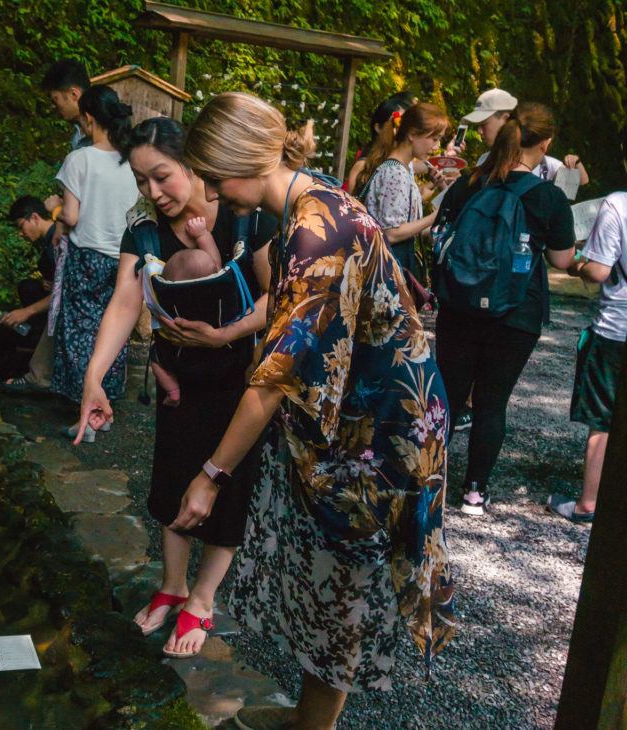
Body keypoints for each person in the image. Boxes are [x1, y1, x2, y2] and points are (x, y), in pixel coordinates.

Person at [165, 92, 455, 729]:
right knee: (327, 591)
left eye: (213, 181)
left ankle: (313, 726)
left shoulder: (313, 229)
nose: (213, 197)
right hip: (381, 417)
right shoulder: (316, 196)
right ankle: (307, 719)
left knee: (339, 600)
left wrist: (210, 476)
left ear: (240, 163)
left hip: (377, 438)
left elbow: (274, 379)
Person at [75, 117, 277, 657]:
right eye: (142, 182)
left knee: (225, 488)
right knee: (171, 482)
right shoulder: (143, 228)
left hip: (240, 380)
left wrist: (227, 334)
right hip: (178, 379)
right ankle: (172, 585)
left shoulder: (243, 217)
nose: (153, 193)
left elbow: (277, 296)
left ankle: (203, 599)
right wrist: (95, 377)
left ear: (192, 164)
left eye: (162, 176)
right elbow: (125, 299)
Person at [434, 102, 576, 516]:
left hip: (459, 304)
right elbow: (562, 260)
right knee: (493, 402)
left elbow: (442, 233)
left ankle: (426, 480)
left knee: (449, 394)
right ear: (546, 143)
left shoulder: (469, 183)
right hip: (516, 311)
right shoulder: (548, 197)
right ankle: (475, 492)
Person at [49, 85, 139, 432]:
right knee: (112, 330)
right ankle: (104, 407)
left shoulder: (80, 159)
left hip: (87, 256)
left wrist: (53, 212)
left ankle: (84, 416)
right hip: (124, 257)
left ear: (88, 118)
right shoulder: (132, 159)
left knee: (80, 331)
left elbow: (70, 216)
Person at [548, 183, 627, 522]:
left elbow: (598, 271)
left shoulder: (617, 205)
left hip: (616, 330)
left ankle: (588, 503)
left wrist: (577, 265)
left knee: (603, 420)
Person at [358, 102, 449, 276]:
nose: (436, 147)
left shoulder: (404, 168)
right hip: (387, 271)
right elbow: (391, 233)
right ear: (413, 134)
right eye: (434, 139)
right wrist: (434, 217)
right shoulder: (395, 172)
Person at [147, 216, 223, 407]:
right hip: (209, 352)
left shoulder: (166, 301)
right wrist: (203, 235)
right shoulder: (213, 297)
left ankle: (173, 390)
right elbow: (216, 262)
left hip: (174, 353)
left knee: (155, 357)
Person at [0, 196, 58, 394]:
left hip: (66, 303)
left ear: (34, 218)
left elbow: (64, 290)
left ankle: (39, 372)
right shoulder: (47, 241)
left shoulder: (57, 240)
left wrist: (26, 312)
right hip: (55, 296)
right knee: (27, 287)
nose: (20, 233)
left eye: (21, 226)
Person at [463, 88, 590, 186]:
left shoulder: (543, 164)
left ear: (505, 119)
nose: (479, 131)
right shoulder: (484, 160)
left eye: (484, 124)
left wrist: (575, 162)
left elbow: (580, 181)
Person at [345, 91, 416, 192]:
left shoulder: (405, 163)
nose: (403, 131)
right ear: (378, 128)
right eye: (396, 124)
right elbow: (352, 205)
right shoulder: (363, 165)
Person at [41, 59, 92, 150]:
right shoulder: (77, 137)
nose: (53, 106)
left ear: (74, 94)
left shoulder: (111, 131)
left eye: (55, 99)